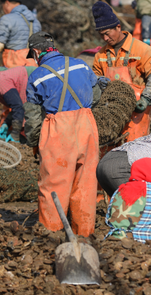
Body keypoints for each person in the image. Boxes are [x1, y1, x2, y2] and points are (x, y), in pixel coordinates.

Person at [23, 32, 100, 237]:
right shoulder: (81, 65)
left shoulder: (37, 76)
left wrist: (32, 141)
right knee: (86, 183)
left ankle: (52, 234)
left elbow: (31, 118)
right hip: (86, 125)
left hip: (58, 130)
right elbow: (97, 95)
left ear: (36, 52)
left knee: (54, 186)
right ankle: (84, 235)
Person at [92, 1, 151, 142]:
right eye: (101, 36)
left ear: (118, 27)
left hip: (137, 113)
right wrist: (98, 81)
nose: (105, 38)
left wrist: (147, 98)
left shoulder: (142, 49)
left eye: (107, 33)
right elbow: (94, 78)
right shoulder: (100, 55)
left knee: (135, 148)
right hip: (111, 116)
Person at [0, 0, 41, 68]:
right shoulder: (35, 21)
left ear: (7, 3)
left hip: (14, 67)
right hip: (33, 66)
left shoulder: (7, 19)